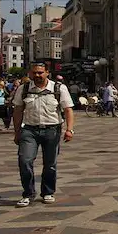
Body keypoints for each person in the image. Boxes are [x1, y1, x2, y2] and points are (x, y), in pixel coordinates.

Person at [12, 62, 76, 207]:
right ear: (30, 73)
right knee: (25, 160)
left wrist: (69, 129)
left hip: (52, 130)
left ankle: (47, 192)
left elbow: (68, 110)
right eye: (34, 73)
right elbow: (17, 111)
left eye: (40, 72)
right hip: (29, 130)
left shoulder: (58, 88)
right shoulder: (24, 88)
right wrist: (17, 132)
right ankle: (28, 193)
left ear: (47, 72)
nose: (37, 75)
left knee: (50, 164)